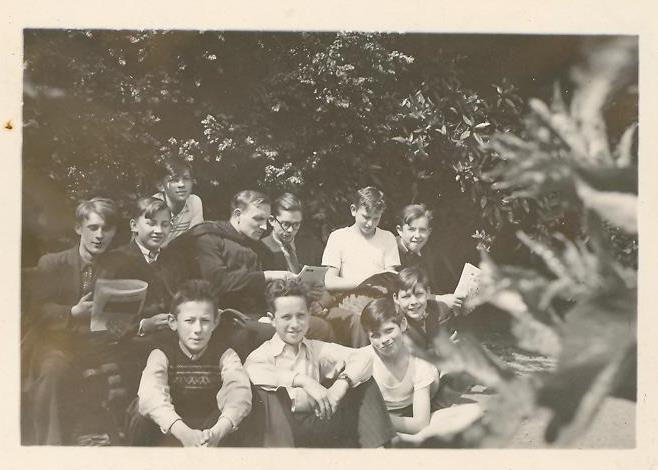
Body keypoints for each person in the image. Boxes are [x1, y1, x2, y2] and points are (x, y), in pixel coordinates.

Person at [244, 278, 395, 448]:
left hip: (317, 422)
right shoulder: (263, 354)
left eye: (300, 316)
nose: (295, 324)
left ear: (309, 315)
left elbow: (363, 357)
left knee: (363, 381)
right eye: (286, 317)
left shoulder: (315, 348)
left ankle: (378, 453)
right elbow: (252, 370)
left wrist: (341, 385)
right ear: (272, 319)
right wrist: (304, 381)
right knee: (266, 393)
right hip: (283, 432)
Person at [24, 197, 118, 444]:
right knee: (52, 371)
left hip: (101, 344)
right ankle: (48, 449)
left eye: (106, 229)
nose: (100, 235)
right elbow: (36, 310)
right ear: (79, 228)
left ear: (114, 232)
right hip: (58, 343)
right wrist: (72, 312)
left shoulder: (118, 265)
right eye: (93, 228)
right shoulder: (53, 263)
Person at [130, 280, 252, 446]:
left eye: (205, 321)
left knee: (242, 411)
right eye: (189, 321)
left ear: (216, 322)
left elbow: (239, 393)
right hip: (173, 428)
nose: (197, 329)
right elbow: (151, 396)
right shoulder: (161, 354)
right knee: (141, 410)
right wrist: (183, 433)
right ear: (173, 322)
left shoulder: (226, 355)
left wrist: (217, 432)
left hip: (210, 430)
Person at [189, 190, 292, 317]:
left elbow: (271, 291)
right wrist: (267, 276)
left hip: (261, 315)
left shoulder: (261, 249)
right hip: (218, 316)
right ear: (238, 214)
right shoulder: (208, 238)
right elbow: (216, 283)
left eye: (266, 220)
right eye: (258, 219)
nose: (264, 227)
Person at [99, 196, 188, 338]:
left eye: (165, 224)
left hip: (175, 338)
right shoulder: (116, 261)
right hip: (132, 342)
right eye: (151, 224)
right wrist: (143, 325)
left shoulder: (174, 260)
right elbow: (106, 321)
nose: (159, 230)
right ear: (134, 225)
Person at [360, 296, 440, 438]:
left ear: (403, 324)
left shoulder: (419, 363)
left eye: (389, 330)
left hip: (409, 414)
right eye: (375, 335)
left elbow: (420, 424)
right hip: (379, 418)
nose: (384, 340)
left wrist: (375, 420)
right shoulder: (362, 358)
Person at [322, 186, 400, 292]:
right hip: (348, 299)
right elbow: (330, 281)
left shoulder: (388, 238)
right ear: (354, 210)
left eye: (376, 218)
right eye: (366, 217)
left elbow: (390, 278)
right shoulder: (338, 237)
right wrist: (366, 284)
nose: (370, 223)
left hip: (379, 302)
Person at [396, 204, 463, 313]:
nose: (417, 235)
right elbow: (399, 295)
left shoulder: (426, 251)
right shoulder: (392, 251)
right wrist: (441, 299)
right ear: (400, 230)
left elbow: (430, 287)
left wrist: (455, 301)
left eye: (422, 230)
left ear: (429, 232)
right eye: (411, 229)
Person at [152, 159, 204, 247]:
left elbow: (196, 238)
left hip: (181, 255)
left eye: (186, 178)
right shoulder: (152, 206)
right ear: (161, 186)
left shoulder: (194, 202)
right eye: (174, 180)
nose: (181, 185)